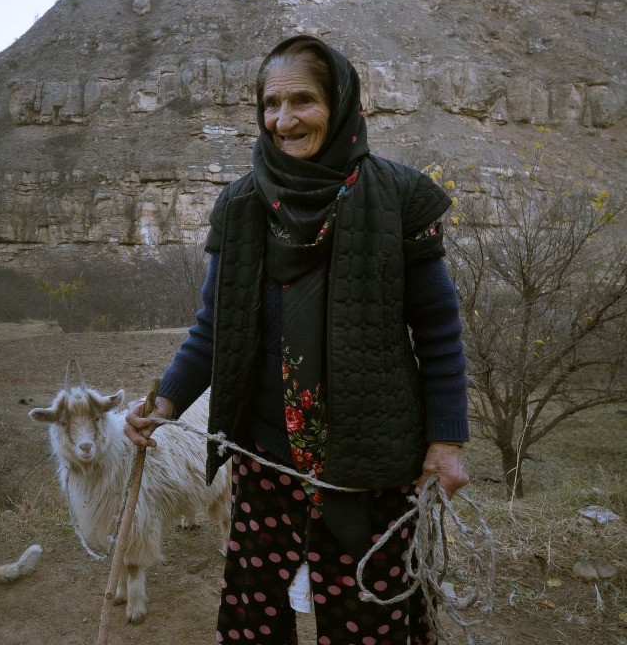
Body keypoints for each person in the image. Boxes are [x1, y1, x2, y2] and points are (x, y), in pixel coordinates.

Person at [124, 35, 470, 645]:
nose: (284, 120)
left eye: (303, 100)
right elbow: (214, 327)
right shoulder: (240, 206)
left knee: (370, 621)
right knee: (252, 622)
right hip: (266, 460)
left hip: (371, 467)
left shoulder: (400, 198)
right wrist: (166, 402)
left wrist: (446, 442)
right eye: (271, 104)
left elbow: (438, 330)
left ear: (340, 105)